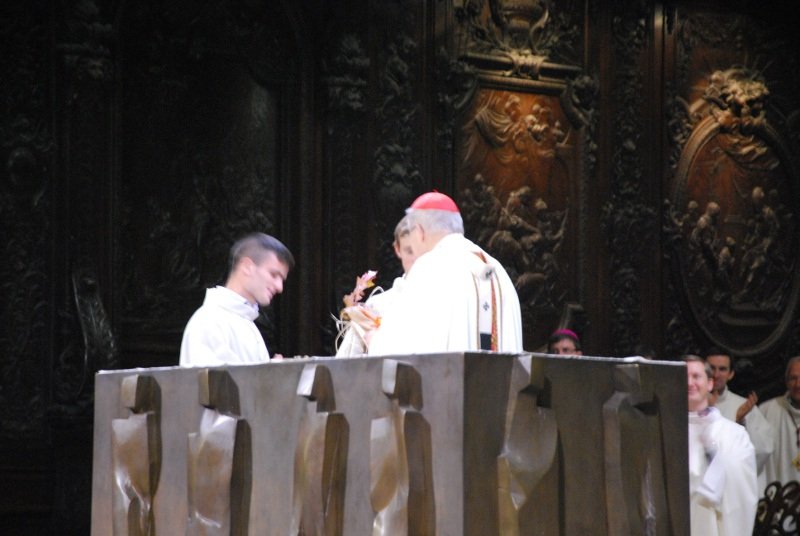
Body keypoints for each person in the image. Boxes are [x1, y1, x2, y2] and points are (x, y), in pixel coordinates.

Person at [368, 191, 523, 355]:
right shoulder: (497, 269)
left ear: (419, 232)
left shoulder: (429, 267)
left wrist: (374, 340)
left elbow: (402, 347)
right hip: (498, 380)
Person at [179, 233, 294, 367]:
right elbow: (214, 386)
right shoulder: (209, 322)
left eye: (282, 279)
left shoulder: (244, 320)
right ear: (247, 267)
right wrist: (272, 373)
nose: (279, 287)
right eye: (273, 275)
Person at [685, 355, 758, 536]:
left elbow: (743, 487)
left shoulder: (734, 434)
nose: (689, 382)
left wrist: (713, 458)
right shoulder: (666, 430)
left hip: (712, 523)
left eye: (696, 376)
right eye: (683, 376)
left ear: (710, 383)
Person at [335, 215, 418, 356]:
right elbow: (345, 365)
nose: (417, 259)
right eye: (409, 251)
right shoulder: (377, 306)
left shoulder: (450, 301)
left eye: (423, 252)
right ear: (397, 249)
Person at [705, 350, 773, 481]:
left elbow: (763, 450)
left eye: (722, 369)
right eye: (712, 368)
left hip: (732, 484)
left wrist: (741, 422)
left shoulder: (744, 407)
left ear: (731, 374)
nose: (716, 374)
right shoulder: (689, 405)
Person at [759, 356, 800, 487]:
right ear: (786, 381)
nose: (798, 384)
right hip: (778, 500)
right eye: (793, 378)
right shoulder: (767, 411)